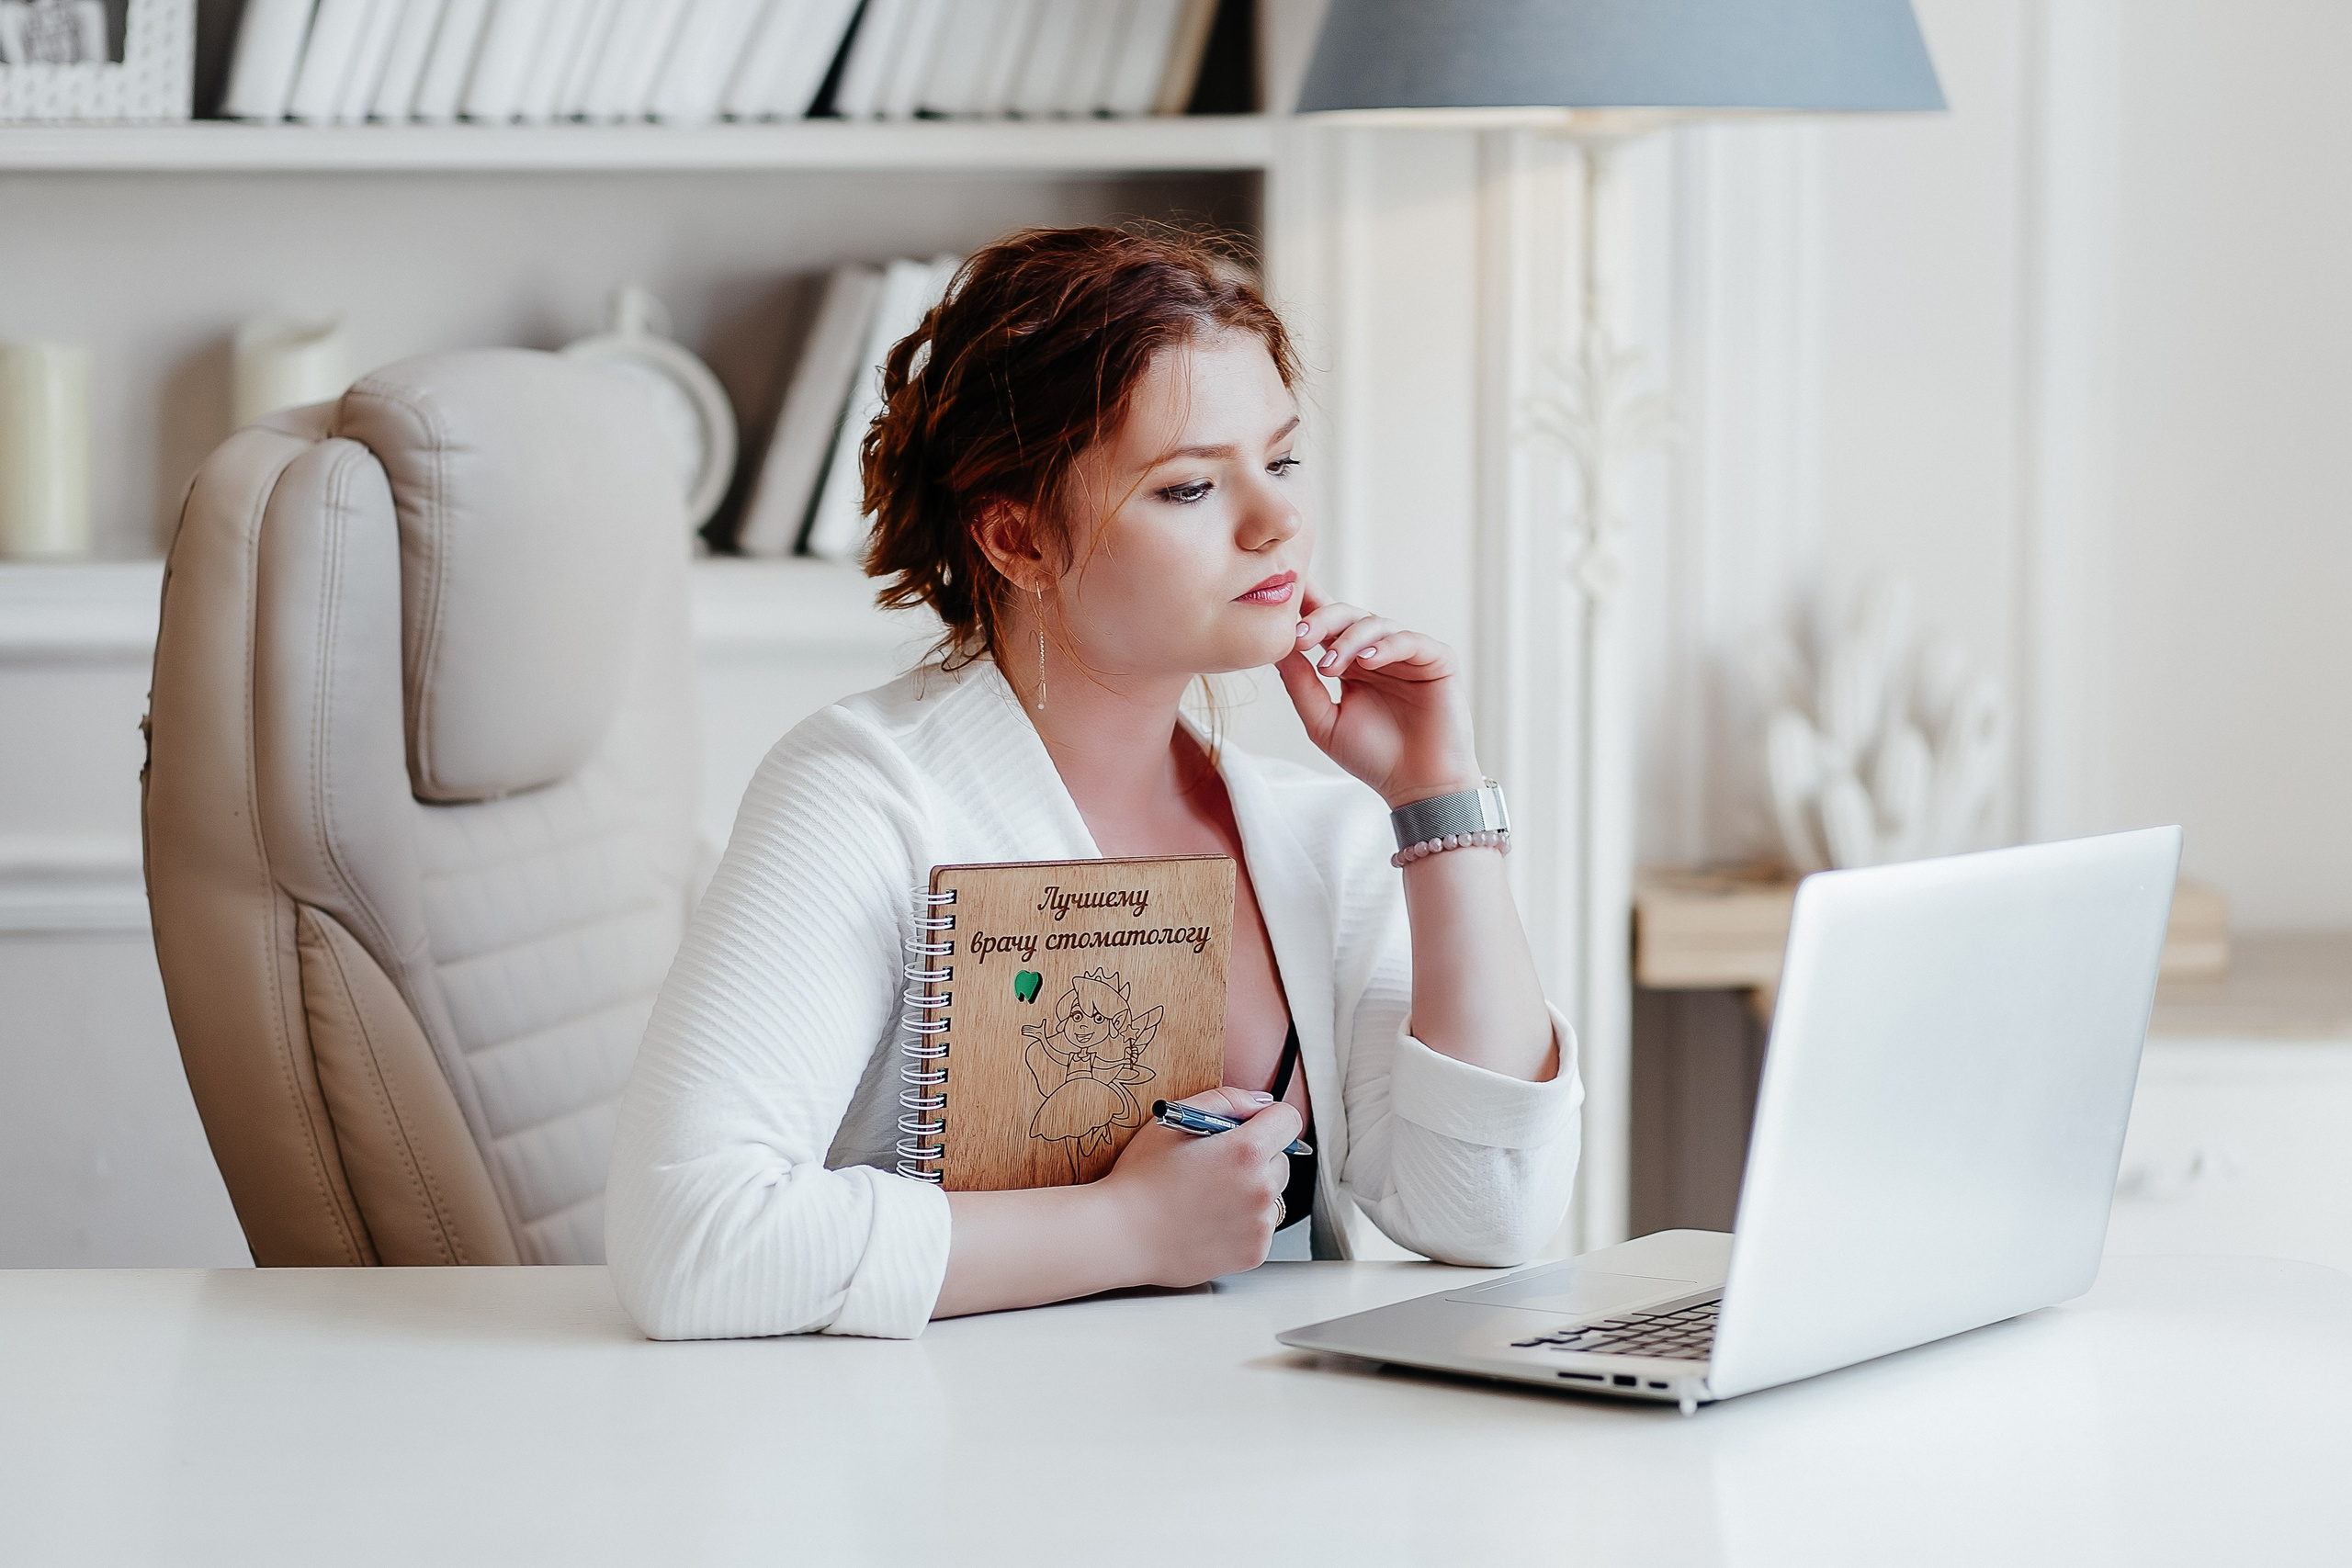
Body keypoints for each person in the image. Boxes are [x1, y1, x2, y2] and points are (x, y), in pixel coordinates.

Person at [605, 225, 1583, 1340]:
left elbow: (1493, 1213)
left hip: (1273, 1476)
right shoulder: (865, 798)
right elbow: (689, 1240)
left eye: (1281, 460)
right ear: (1016, 537)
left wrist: (1437, 807)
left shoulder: (1325, 836)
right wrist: (1124, 1228)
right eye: (1186, 488)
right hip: (940, 1478)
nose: (1275, 523)